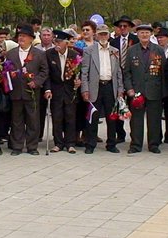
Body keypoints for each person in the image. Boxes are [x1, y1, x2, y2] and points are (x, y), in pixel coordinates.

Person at [124, 24, 168, 154]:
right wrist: (129, 89)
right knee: (136, 120)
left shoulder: (158, 50)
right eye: (141, 33)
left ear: (151, 35)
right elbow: (127, 72)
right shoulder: (131, 50)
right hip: (137, 91)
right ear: (137, 34)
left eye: (147, 33)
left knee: (154, 119)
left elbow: (164, 72)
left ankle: (153, 144)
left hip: (154, 90)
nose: (144, 35)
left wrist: (163, 92)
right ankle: (136, 145)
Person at [6, 24, 48, 155]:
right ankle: (17, 146)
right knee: (17, 120)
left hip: (32, 93)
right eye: (19, 36)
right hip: (16, 92)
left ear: (31, 38)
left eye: (24, 36)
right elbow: (6, 71)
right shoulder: (11, 54)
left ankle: (32, 146)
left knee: (33, 120)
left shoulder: (39, 54)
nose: (21, 38)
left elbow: (45, 71)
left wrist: (36, 82)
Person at [81, 24, 123, 154]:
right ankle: (90, 143)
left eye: (105, 34)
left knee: (112, 117)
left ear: (109, 35)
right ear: (96, 36)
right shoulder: (89, 50)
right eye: (101, 34)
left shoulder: (115, 50)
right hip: (95, 86)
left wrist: (120, 89)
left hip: (110, 86)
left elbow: (118, 72)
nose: (103, 36)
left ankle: (111, 143)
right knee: (93, 116)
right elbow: (84, 72)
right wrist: (85, 89)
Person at [43, 30, 81, 153]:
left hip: (70, 90)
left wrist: (78, 81)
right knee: (57, 117)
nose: (57, 44)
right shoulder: (49, 54)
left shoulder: (74, 54)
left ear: (66, 43)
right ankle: (58, 143)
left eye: (59, 42)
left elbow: (78, 72)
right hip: (56, 89)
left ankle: (70, 143)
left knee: (70, 116)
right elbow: (47, 74)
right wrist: (48, 89)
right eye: (56, 42)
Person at [110, 15, 138, 143]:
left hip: (132, 78)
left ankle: (135, 136)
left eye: (125, 26)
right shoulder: (113, 42)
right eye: (120, 26)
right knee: (118, 106)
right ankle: (120, 134)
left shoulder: (136, 40)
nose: (122, 28)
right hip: (118, 77)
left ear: (130, 27)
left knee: (134, 107)